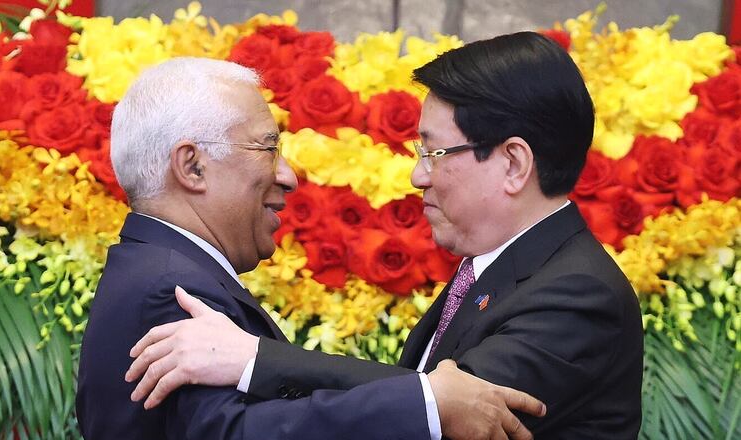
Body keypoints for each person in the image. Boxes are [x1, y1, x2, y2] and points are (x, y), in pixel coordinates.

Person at [125, 32, 645, 439]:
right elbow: (427, 400)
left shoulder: (576, 294)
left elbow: (454, 411)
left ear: (512, 163)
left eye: (434, 153)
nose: (419, 176)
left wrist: (250, 360)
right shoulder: (494, 269)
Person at [75, 56, 546, 440]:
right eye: (267, 149)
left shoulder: (164, 269)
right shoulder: (168, 289)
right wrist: (425, 404)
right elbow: (236, 433)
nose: (289, 176)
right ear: (193, 167)